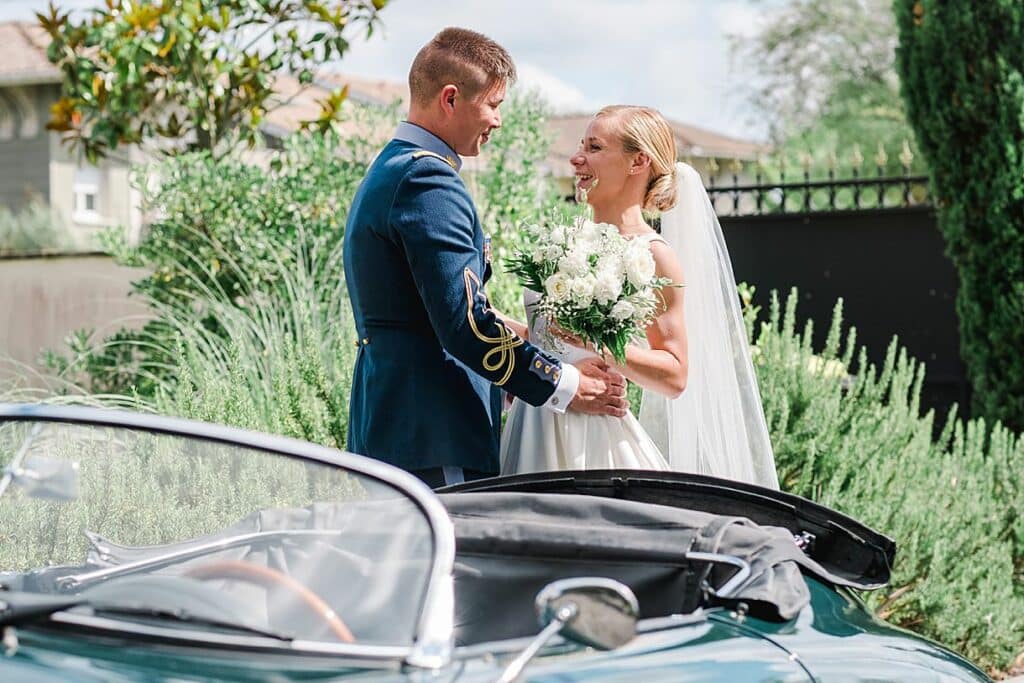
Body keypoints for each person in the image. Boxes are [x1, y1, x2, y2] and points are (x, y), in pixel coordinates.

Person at [342, 28, 628, 489]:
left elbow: (432, 313)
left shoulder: (394, 167)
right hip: (435, 432)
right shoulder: (427, 182)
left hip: (401, 427)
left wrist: (531, 349)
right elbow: (465, 325)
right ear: (450, 98)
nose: (497, 121)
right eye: (493, 104)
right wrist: (565, 385)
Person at [500, 105, 779, 489]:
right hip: (534, 419)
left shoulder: (654, 255)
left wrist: (594, 343)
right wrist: (480, 316)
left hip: (588, 439)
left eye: (595, 148)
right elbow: (544, 338)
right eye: (581, 146)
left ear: (639, 161)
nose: (576, 158)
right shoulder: (565, 242)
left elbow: (674, 373)